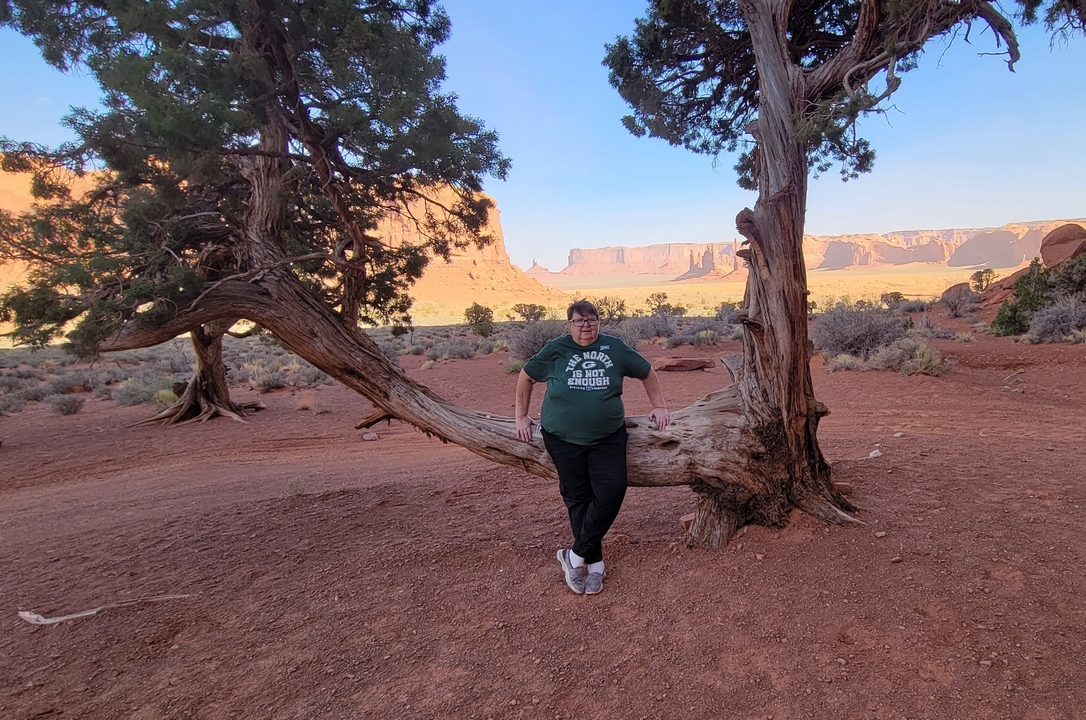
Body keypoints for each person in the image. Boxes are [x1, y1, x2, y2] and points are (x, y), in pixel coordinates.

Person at [515, 300, 669, 595]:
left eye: (591, 320)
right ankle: (595, 565)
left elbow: (647, 372)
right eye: (579, 321)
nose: (586, 325)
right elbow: (526, 376)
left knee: (613, 490)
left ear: (599, 322)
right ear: (569, 324)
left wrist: (659, 406)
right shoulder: (556, 348)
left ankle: (572, 556)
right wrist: (521, 416)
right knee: (578, 497)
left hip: (608, 435)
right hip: (561, 437)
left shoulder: (615, 347)